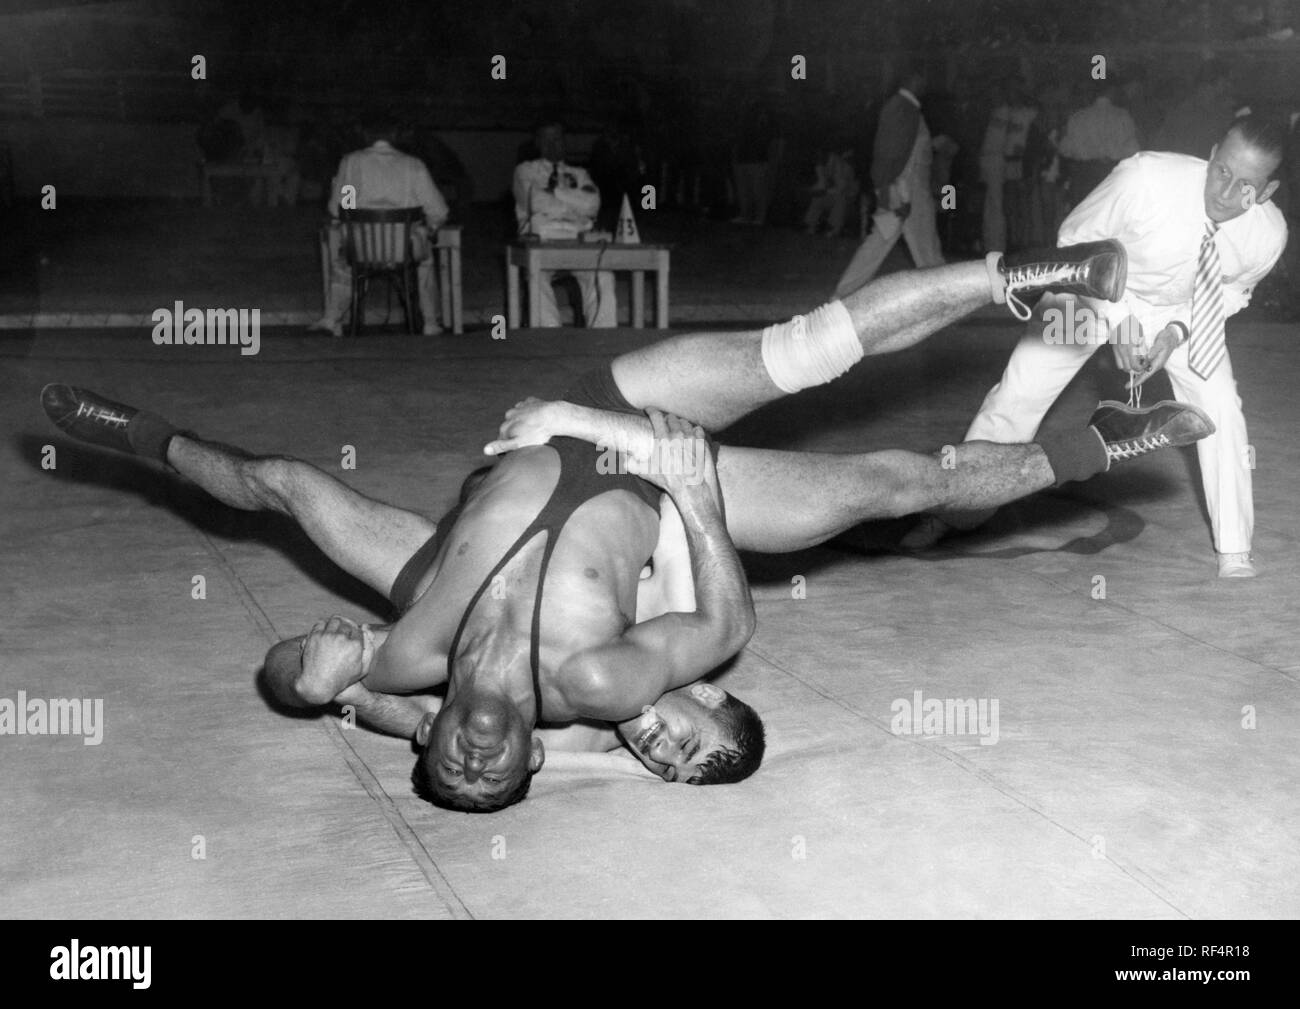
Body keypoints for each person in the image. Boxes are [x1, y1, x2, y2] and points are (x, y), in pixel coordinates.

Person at [41, 238, 1216, 812]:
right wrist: (689, 486)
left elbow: (288, 505)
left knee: (284, 481)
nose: (477, 759)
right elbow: (721, 621)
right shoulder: (601, 689)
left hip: (596, 437)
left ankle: (1030, 270)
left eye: (454, 769)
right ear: (530, 762)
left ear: (436, 736)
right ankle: (1114, 438)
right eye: (496, 781)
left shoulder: (415, 643)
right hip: (665, 486)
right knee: (890, 483)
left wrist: (318, 674)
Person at [903, 118, 1288, 578]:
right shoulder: (1145, 178)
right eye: (1222, 171)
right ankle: (951, 510)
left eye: (1246, 186)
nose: (1226, 194)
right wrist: (1120, 322)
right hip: (1086, 292)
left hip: (1179, 312)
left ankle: (1235, 548)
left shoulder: (1268, 235)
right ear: (1211, 153)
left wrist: (1174, 334)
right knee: (1019, 395)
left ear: (1265, 192)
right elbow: (1074, 240)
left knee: (1222, 406)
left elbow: (1231, 293)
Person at [309, 112, 449, 337]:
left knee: (342, 259)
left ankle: (332, 318)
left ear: (364, 135)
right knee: (425, 259)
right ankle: (430, 321)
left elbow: (338, 209)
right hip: (404, 250)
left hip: (361, 248)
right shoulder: (414, 165)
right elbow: (439, 210)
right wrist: (430, 227)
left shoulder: (351, 162)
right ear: (396, 135)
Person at [834, 64, 945, 296]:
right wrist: (895, 196)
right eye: (924, 79)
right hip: (907, 190)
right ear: (913, 79)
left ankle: (843, 294)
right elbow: (892, 156)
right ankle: (942, 296)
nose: (927, 85)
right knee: (923, 248)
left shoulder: (904, 108)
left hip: (906, 189)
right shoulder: (902, 109)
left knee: (888, 242)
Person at [512, 119, 617, 328]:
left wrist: (555, 193)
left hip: (578, 242)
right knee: (536, 276)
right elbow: (534, 201)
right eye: (547, 139)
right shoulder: (525, 171)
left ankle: (604, 338)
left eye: (558, 139)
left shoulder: (580, 173)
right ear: (537, 143)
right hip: (541, 242)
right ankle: (550, 337)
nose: (553, 145)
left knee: (602, 274)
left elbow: (593, 204)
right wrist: (574, 206)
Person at [1058, 78, 1139, 207]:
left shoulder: (1078, 117)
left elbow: (1065, 149)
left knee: (1085, 216)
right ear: (1111, 91)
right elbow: (1132, 149)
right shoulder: (1122, 116)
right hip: (1112, 174)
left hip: (1084, 175)